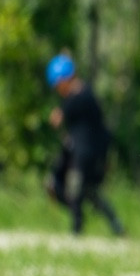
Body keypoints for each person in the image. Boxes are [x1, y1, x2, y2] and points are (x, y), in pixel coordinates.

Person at [46, 54, 126, 236]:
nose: (58, 90)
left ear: (64, 80)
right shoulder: (75, 96)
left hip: (87, 154)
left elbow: (65, 115)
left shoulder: (82, 96)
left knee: (75, 188)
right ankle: (116, 226)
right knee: (87, 191)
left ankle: (77, 229)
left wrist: (60, 114)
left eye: (58, 85)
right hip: (79, 152)